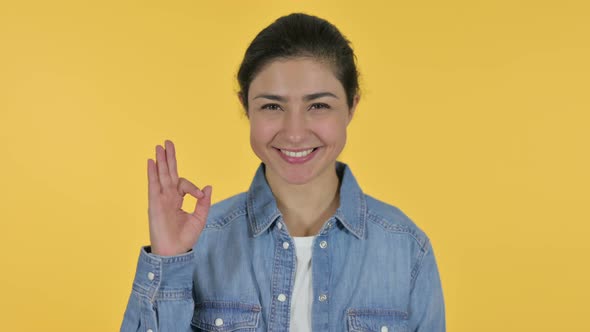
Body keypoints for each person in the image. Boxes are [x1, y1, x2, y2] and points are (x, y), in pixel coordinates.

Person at [121, 12, 445, 332]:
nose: (294, 133)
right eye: (272, 106)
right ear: (246, 106)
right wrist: (167, 262)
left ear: (352, 106)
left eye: (318, 106)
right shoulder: (198, 243)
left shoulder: (407, 250)